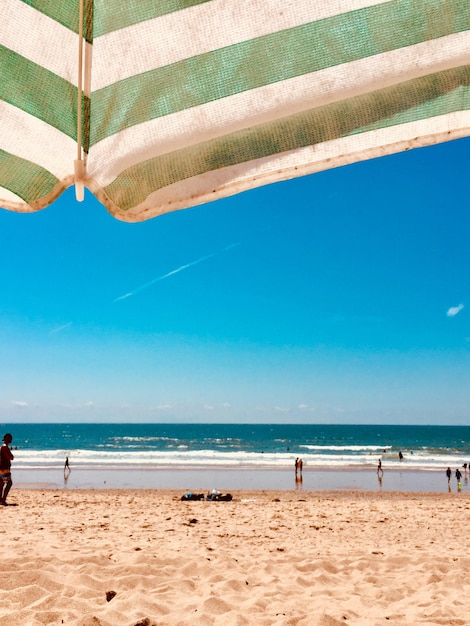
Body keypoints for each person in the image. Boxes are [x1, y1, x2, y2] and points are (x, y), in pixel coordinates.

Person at [0, 433, 14, 506]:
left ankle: (1, 499)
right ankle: (3, 499)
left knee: (1, 484)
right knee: (9, 483)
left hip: (2, 468)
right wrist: (11, 456)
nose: (10, 439)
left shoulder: (3, 447)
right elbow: (10, 457)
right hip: (4, 469)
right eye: (9, 438)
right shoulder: (5, 447)